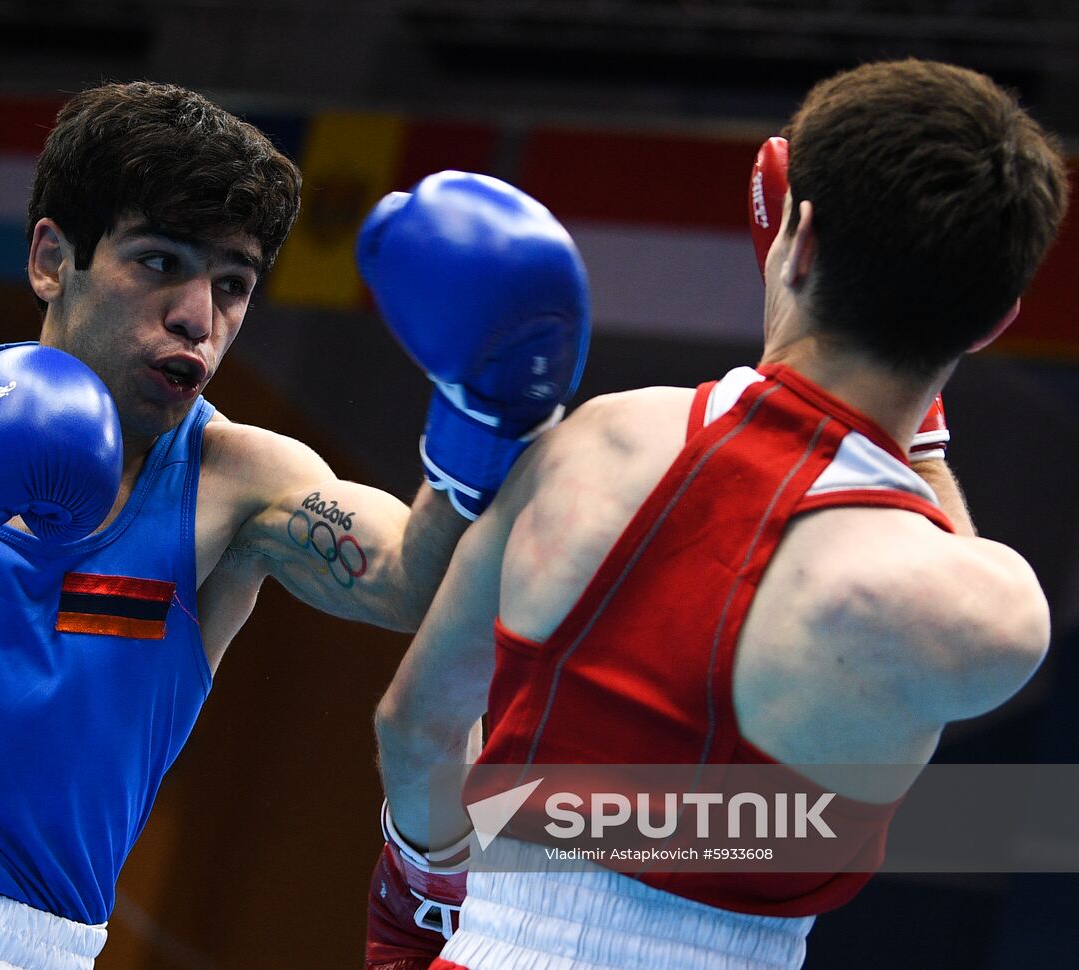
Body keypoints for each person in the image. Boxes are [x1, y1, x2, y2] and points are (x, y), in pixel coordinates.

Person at [0, 81, 591, 968]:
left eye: (232, 285)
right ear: (52, 259)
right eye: (160, 263)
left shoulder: (239, 483)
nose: (198, 318)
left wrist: (485, 423)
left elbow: (411, 583)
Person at [366, 58, 1071, 970]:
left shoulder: (593, 445)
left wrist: (420, 900)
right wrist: (918, 425)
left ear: (800, 241)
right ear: (996, 321)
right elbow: (930, 548)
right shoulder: (985, 609)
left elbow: (416, 725)